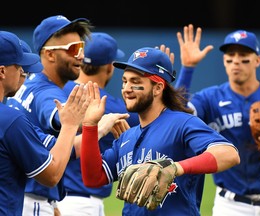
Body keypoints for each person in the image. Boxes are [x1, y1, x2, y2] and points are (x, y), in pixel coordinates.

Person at [79, 46, 241, 216]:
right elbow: (93, 178)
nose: (126, 88)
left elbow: (229, 154)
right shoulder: (126, 137)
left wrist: (175, 168)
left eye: (136, 82)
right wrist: (90, 126)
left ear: (157, 88)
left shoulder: (182, 123)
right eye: (125, 81)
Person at [4, 15, 126, 216]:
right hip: (32, 201)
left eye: (81, 48)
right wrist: (94, 124)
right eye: (73, 49)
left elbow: (50, 146)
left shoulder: (27, 83)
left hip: (28, 197)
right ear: (50, 55)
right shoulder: (47, 93)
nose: (80, 56)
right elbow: (61, 116)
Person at [175, 24, 260, 216]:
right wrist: (187, 69)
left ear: (257, 60)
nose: (236, 61)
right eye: (231, 56)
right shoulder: (210, 98)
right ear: (224, 61)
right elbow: (178, 114)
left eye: (244, 56)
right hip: (230, 206)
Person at [0, 30, 99, 215]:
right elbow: (51, 174)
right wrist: (70, 125)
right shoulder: (10, 120)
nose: (22, 71)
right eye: (18, 65)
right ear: (2, 71)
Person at [59, 32, 139, 215]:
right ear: (110, 67)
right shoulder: (107, 106)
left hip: (53, 197)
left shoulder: (57, 91)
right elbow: (163, 115)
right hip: (82, 203)